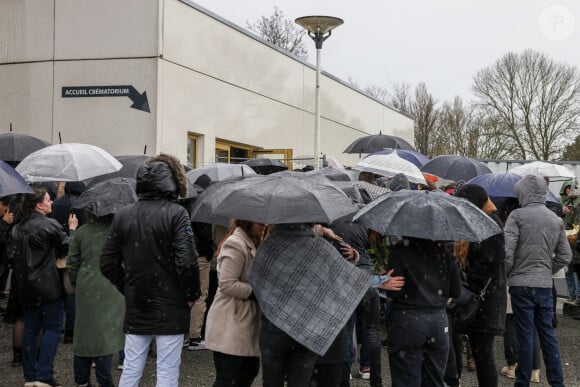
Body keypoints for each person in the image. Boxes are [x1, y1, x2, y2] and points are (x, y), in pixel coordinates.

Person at [100, 153, 201, 387]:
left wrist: (128, 286)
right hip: (172, 302)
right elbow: (187, 261)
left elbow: (107, 262)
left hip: (138, 301)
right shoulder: (177, 214)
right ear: (174, 181)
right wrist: (191, 295)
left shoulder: (124, 214)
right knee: (166, 370)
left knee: (132, 367)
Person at [504, 174, 572, 387]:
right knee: (548, 335)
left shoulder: (517, 216)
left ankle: (522, 382)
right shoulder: (556, 219)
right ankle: (557, 382)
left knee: (525, 335)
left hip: (520, 285)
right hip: (544, 285)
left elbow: (507, 253)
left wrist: (508, 275)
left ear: (522, 192)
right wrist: (546, 270)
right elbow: (565, 256)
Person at [8, 186, 78, 387]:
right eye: (48, 200)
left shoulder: (17, 228)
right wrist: (72, 230)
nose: (52, 203)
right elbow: (69, 248)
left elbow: (11, 257)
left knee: (31, 329)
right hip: (49, 287)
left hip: (25, 287)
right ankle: (44, 375)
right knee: (53, 329)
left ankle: (30, 376)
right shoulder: (51, 225)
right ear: (39, 204)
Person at [386, 237, 461, 387]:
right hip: (438, 322)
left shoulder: (401, 251)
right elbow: (456, 290)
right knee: (434, 379)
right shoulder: (444, 252)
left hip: (407, 320)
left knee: (406, 379)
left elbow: (394, 292)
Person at [454, 184, 507, 387]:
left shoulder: (490, 224)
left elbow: (490, 262)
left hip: (485, 301)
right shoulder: (481, 220)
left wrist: (470, 287)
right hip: (480, 298)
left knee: (483, 353)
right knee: (478, 351)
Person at [204, 219, 265, 387]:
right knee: (229, 379)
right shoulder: (236, 243)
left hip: (245, 322)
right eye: (257, 221)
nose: (263, 224)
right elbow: (227, 284)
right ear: (246, 221)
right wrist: (258, 291)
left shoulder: (254, 241)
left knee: (246, 374)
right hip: (231, 319)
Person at [67, 212, 125, 387]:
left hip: (86, 285)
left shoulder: (82, 231)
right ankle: (104, 379)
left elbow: (72, 263)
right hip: (111, 286)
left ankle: (82, 379)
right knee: (105, 335)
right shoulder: (118, 232)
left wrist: (78, 281)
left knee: (83, 334)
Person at [559, 179, 580, 304]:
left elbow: (577, 222)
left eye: (572, 187)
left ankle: (578, 296)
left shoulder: (578, 203)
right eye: (567, 188)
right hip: (564, 239)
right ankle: (571, 295)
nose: (570, 190)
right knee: (568, 269)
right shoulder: (560, 202)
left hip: (576, 241)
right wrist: (561, 213)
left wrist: (571, 211)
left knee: (577, 268)